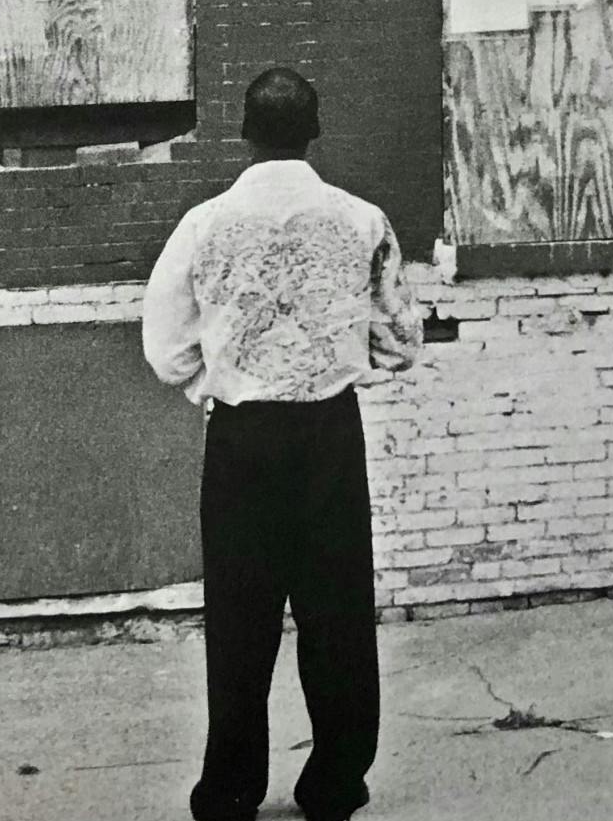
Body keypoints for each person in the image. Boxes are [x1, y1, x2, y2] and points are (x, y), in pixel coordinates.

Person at [143, 68, 423, 821]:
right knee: (338, 616)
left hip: (243, 439)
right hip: (329, 435)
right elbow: (401, 340)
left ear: (245, 131)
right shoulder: (362, 221)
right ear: (315, 129)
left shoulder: (203, 224)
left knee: (240, 620)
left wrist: (225, 372)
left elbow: (166, 350)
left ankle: (231, 789)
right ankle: (334, 783)